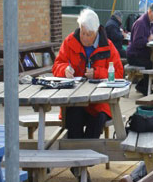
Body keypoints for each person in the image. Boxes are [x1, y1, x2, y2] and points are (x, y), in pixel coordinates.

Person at [53, 8, 124, 139]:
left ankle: (90, 152)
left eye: (88, 34)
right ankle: (76, 152)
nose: (84, 37)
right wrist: (64, 70)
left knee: (98, 119)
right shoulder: (69, 42)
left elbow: (119, 74)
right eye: (82, 32)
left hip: (99, 102)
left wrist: (97, 73)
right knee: (73, 117)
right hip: (74, 100)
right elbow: (57, 65)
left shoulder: (108, 46)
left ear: (96, 32)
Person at [127, 3, 153, 96]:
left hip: (142, 54)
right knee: (150, 64)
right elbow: (136, 42)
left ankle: (142, 85)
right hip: (134, 55)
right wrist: (148, 39)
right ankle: (146, 88)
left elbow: (149, 36)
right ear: (149, 11)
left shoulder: (151, 23)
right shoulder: (140, 23)